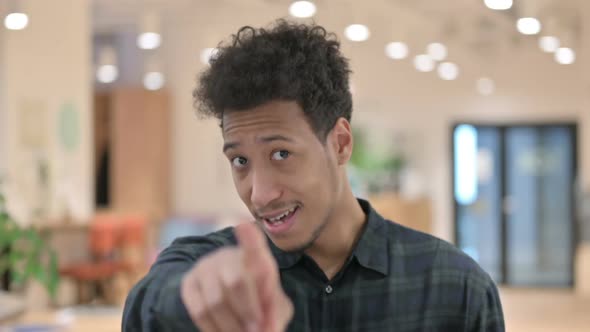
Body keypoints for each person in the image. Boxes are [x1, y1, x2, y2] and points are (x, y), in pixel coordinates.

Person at [122, 20, 505, 332]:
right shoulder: (210, 265)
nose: (259, 194)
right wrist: (191, 296)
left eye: (281, 154)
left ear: (339, 143)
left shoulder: (455, 289)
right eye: (240, 161)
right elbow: (148, 306)